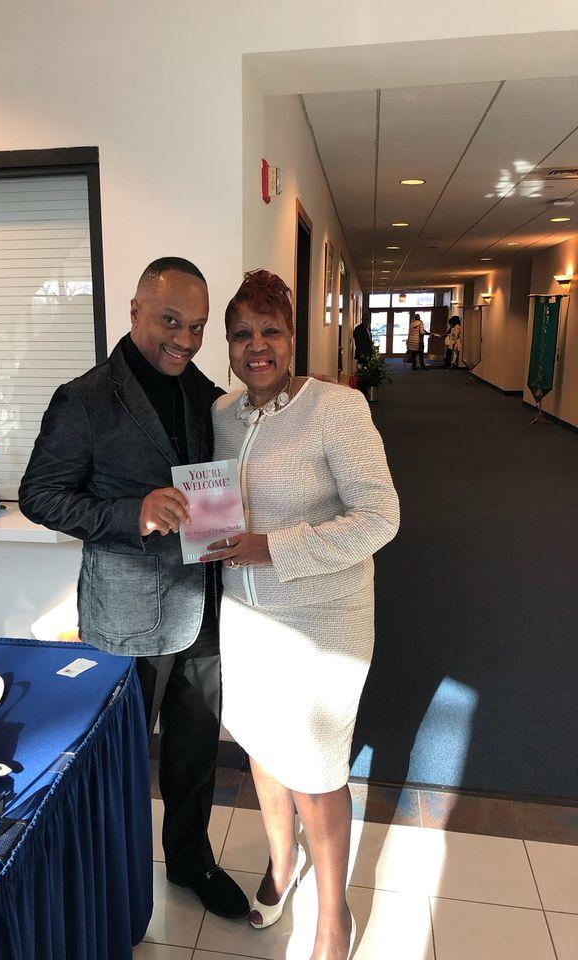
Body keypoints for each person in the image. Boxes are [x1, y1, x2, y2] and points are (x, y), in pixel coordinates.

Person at [19, 257, 249, 920]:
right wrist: (131, 513)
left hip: (203, 602)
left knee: (195, 747)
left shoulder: (205, 394)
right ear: (135, 312)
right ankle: (110, 881)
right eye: (171, 321)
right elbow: (40, 496)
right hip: (126, 615)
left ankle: (190, 860)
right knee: (118, 759)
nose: (185, 339)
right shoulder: (86, 399)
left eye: (197, 326)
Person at [206, 270, 400, 960]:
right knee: (262, 746)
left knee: (316, 770)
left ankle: (332, 916)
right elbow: (216, 504)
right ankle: (284, 864)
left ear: (293, 338)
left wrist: (274, 548)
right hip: (247, 617)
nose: (256, 345)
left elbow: (380, 518)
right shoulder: (223, 414)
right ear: (228, 345)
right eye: (242, 334)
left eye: (271, 331)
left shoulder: (337, 409)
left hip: (325, 618)